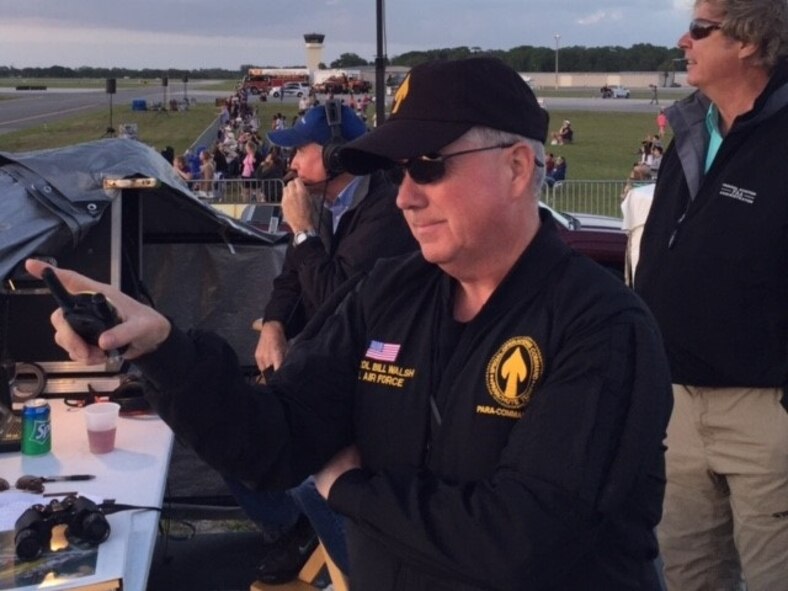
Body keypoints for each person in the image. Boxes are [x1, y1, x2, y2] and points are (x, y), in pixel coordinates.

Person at [28, 56, 673, 590]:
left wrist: (352, 490)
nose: (405, 195)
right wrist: (162, 348)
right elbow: (273, 439)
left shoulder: (604, 327)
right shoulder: (391, 291)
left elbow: (524, 543)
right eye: (398, 173)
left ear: (517, 168)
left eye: (427, 166)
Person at [635, 1, 788, 589]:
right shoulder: (694, 130)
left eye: (701, 29)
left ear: (749, 41)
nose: (684, 40)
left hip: (764, 412)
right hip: (677, 407)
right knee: (686, 580)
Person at [245, 101, 417, 584]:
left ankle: (359, 572)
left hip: (369, 380)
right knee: (235, 434)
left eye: (302, 148)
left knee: (304, 472)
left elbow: (332, 301)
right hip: (326, 365)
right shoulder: (324, 203)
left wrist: (301, 231)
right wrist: (276, 325)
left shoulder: (386, 212)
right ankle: (294, 531)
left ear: (340, 155)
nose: (292, 162)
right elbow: (291, 282)